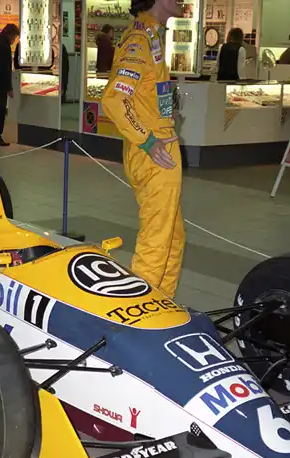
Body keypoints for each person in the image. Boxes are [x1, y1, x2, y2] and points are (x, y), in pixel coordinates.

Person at [100, 0, 185, 299]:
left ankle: (162, 304)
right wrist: (148, 139)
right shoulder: (140, 40)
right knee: (156, 243)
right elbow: (113, 100)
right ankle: (138, 312)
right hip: (154, 153)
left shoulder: (150, 35)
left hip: (154, 148)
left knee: (171, 240)